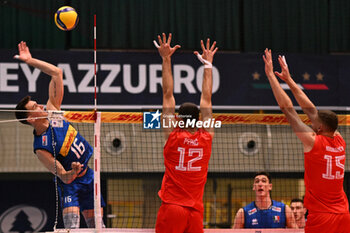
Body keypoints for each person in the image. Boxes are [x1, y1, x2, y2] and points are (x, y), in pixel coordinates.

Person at [14, 41, 105, 228]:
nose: (40, 105)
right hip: (70, 184)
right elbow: (63, 176)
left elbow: (57, 73)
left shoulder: (53, 111)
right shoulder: (41, 147)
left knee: (98, 227)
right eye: (34, 107)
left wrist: (30, 61)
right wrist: (72, 170)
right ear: (30, 119)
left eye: (37, 103)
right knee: (72, 228)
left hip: (88, 176)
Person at [263, 48, 350, 233]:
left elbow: (288, 110)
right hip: (343, 213)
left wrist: (271, 75)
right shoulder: (339, 139)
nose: (312, 119)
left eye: (314, 123)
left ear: (319, 128)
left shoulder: (314, 142)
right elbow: (311, 110)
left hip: (321, 217)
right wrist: (289, 80)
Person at [154, 33, 217, 233]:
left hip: (173, 208)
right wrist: (208, 65)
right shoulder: (207, 136)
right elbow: (206, 98)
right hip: (196, 212)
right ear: (199, 120)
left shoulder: (172, 134)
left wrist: (166, 58)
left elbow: (167, 94)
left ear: (178, 119)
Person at [233, 171, 297, 228]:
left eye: (264, 181)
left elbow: (296, 231)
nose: (260, 184)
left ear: (270, 186)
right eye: (257, 181)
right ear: (254, 187)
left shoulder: (284, 209)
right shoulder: (243, 212)